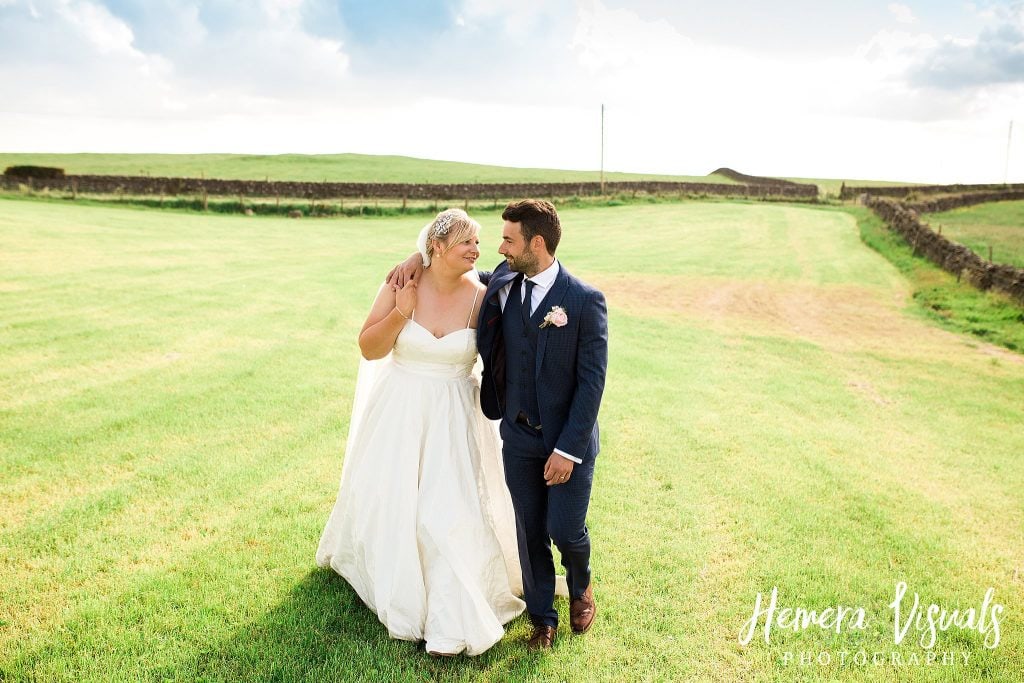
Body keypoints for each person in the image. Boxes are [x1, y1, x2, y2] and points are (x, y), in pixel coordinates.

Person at [390, 199, 609, 651]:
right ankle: (543, 619)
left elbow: (592, 384)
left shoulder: (585, 302)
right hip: (517, 436)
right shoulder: (503, 282)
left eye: (508, 239)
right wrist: (418, 256)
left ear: (537, 243)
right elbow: (453, 269)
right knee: (528, 531)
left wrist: (568, 450)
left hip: (567, 442)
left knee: (564, 530)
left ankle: (581, 581)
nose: (498, 248)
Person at [316, 208, 525, 657]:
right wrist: (401, 314)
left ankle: (451, 612)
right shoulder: (400, 285)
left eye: (477, 242)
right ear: (438, 247)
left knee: (447, 510)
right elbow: (369, 348)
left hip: (454, 418)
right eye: (467, 242)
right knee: (395, 501)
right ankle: (395, 579)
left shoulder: (485, 296)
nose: (477, 249)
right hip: (399, 412)